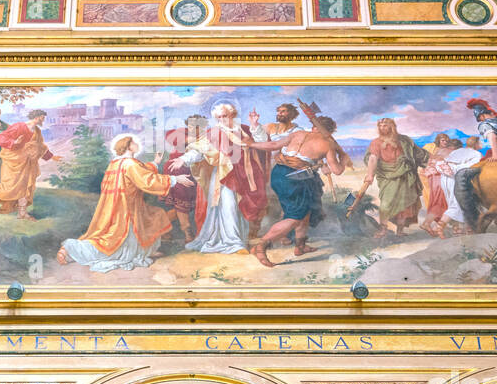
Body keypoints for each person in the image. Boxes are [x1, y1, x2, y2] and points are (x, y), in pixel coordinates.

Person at [57, 135, 191, 271]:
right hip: (127, 210)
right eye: (133, 142)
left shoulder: (116, 163)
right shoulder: (130, 164)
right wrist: (175, 179)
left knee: (155, 215)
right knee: (113, 241)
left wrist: (155, 162)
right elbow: (146, 180)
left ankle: (141, 251)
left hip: (116, 207)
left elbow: (141, 172)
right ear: (128, 146)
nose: (137, 143)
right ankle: (71, 248)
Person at [242, 115, 347, 266]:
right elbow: (337, 170)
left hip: (279, 174)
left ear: (314, 127)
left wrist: (252, 144)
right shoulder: (327, 144)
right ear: (330, 131)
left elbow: (274, 145)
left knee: (305, 212)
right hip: (294, 179)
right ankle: (261, 245)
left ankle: (300, 246)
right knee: (295, 217)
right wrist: (343, 158)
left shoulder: (298, 134)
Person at [179, 102, 267, 254]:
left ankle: (240, 238)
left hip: (245, 174)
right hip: (224, 174)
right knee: (229, 206)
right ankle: (233, 243)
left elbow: (262, 142)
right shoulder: (215, 132)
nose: (221, 119)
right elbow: (201, 149)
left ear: (232, 114)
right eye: (218, 117)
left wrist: (255, 124)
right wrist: (184, 159)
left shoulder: (244, 129)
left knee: (240, 206)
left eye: (224, 116)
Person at [0, 110, 54, 220]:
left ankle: (22, 213)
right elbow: (2, 137)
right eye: (42, 118)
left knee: (25, 188)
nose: (43, 120)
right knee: (6, 187)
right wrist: (14, 142)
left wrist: (51, 156)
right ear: (36, 117)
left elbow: (39, 146)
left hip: (27, 162)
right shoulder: (19, 126)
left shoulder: (37, 131)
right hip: (13, 161)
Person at [360, 118, 431, 237]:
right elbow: (373, 158)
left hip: (405, 175)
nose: (382, 128)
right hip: (387, 177)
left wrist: (434, 160)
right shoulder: (376, 142)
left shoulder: (404, 140)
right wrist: (370, 174)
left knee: (405, 205)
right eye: (380, 126)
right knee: (386, 204)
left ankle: (400, 230)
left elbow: (418, 153)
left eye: (385, 125)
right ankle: (383, 229)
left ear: (392, 127)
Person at [419, 133, 483, 236]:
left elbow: (445, 162)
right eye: (480, 142)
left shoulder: (457, 151)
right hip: (454, 178)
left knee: (454, 204)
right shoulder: (476, 154)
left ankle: (459, 228)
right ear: (476, 144)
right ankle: (440, 227)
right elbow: (471, 167)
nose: (482, 144)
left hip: (445, 178)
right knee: (458, 204)